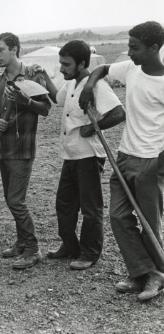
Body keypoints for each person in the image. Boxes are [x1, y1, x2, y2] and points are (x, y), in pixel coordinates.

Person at [79, 21, 164, 302]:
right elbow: (102, 69)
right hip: (124, 155)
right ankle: (142, 271)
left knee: (149, 221)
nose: (129, 52)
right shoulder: (131, 69)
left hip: (152, 159)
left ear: (154, 48)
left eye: (135, 47)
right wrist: (90, 85)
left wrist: (158, 164)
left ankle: (155, 275)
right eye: (128, 45)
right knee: (117, 216)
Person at [48, 40, 125, 270]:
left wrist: (92, 127)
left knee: (90, 208)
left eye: (66, 64)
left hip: (89, 155)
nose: (62, 68)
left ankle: (90, 252)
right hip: (70, 154)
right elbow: (58, 99)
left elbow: (118, 113)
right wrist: (42, 76)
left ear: (82, 63)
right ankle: (70, 246)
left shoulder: (96, 86)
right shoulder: (72, 83)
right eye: (60, 63)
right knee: (64, 204)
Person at [0, 32, 53, 269]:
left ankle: (33, 249)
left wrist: (25, 102)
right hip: (3, 148)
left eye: (0, 50)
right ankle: (20, 242)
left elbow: (46, 108)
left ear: (14, 49)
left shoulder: (32, 74)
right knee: (10, 199)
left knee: (16, 200)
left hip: (23, 148)